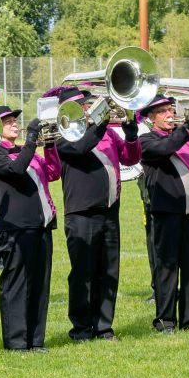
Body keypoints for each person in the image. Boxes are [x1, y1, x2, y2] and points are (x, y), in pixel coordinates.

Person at [52, 85, 140, 342]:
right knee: (83, 272)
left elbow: (130, 159)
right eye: (80, 105)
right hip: (82, 213)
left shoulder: (108, 134)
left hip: (110, 211)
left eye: (86, 104)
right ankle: (81, 328)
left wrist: (131, 134)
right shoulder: (61, 134)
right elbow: (80, 149)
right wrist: (100, 125)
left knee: (108, 271)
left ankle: (104, 327)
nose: (86, 108)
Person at [0, 106, 61, 351]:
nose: (14, 124)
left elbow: (53, 172)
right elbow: (16, 171)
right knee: (17, 283)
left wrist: (49, 145)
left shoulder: (27, 152)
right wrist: (31, 141)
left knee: (40, 283)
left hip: (41, 224)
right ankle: (16, 340)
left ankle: (36, 339)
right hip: (16, 226)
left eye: (15, 120)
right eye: (7, 122)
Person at [139, 94, 189, 332]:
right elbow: (165, 148)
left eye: (170, 109)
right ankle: (165, 320)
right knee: (167, 265)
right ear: (151, 118)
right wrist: (186, 128)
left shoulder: (188, 139)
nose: (169, 114)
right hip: (167, 210)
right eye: (162, 111)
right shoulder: (146, 140)